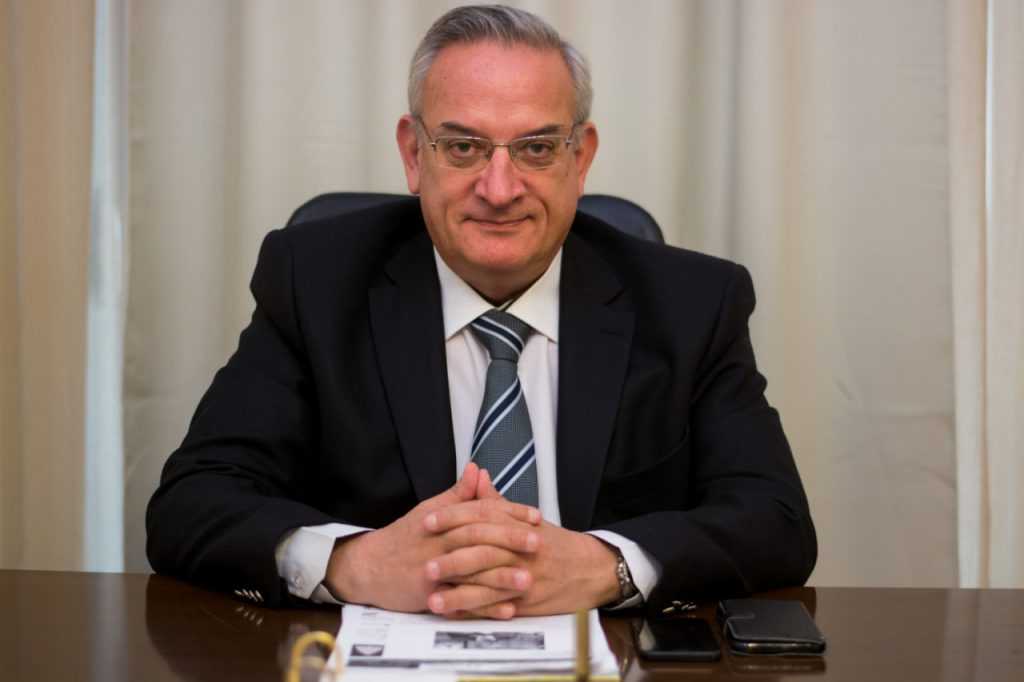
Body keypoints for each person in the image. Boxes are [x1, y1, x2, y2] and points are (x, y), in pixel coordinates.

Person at [146, 5, 816, 619]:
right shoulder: (315, 283)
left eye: (536, 148)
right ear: (415, 154)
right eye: (463, 147)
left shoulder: (692, 304)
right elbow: (191, 503)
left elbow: (775, 520)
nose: (499, 189)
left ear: (580, 158)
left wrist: (606, 566)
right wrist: (354, 564)